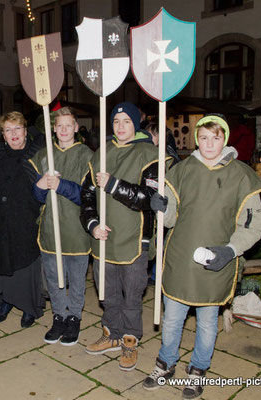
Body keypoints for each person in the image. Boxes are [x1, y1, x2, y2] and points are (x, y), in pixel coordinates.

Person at [143, 114, 261, 399]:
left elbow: (255, 225)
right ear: (196, 139)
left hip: (216, 261)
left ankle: (198, 369)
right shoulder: (182, 170)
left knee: (207, 322)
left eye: (216, 137)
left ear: (224, 138)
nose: (209, 143)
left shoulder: (242, 176)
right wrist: (160, 208)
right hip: (181, 257)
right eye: (203, 137)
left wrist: (231, 250)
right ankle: (165, 363)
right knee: (172, 319)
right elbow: (171, 219)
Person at [80, 102, 169, 371]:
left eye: (126, 122)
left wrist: (114, 185)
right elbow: (86, 196)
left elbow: (151, 199)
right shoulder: (100, 154)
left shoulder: (148, 153)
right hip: (104, 239)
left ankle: (130, 339)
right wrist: (92, 224)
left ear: (136, 124)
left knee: (132, 295)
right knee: (107, 293)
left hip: (135, 239)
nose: (120, 127)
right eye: (116, 122)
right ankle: (112, 334)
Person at [27, 107, 93, 345]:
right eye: (59, 125)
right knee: (54, 278)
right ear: (53, 128)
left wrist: (61, 184)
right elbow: (36, 196)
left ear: (76, 127)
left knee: (76, 279)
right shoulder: (45, 155)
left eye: (68, 125)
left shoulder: (87, 155)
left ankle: (74, 317)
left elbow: (87, 195)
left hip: (76, 229)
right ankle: (59, 316)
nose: (64, 130)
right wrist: (41, 185)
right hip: (50, 228)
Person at [0, 111, 45, 328]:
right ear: (3, 134)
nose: (14, 134)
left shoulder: (37, 153)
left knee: (25, 261)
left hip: (26, 218)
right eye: (8, 130)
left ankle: (28, 306)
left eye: (17, 128)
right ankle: (6, 300)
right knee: (2, 258)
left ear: (25, 130)